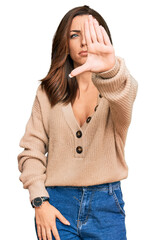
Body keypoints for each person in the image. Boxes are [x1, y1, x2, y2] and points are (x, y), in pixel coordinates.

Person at [17, 5, 138, 240]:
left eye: (90, 33)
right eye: (75, 35)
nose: (84, 42)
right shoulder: (47, 92)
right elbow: (31, 151)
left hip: (107, 207)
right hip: (57, 206)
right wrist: (39, 201)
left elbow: (126, 91)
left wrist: (111, 68)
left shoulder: (118, 86)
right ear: (65, 42)